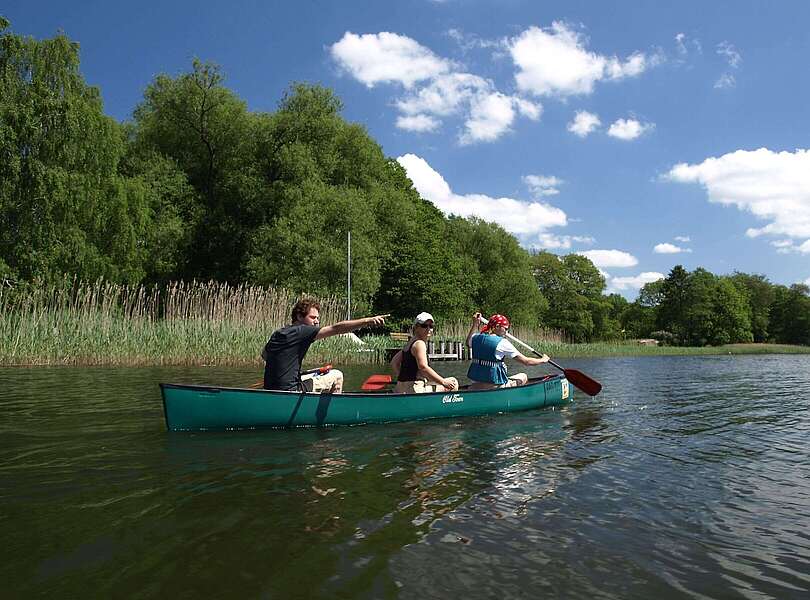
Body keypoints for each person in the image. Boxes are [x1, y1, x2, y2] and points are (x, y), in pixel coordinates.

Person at [262, 298, 388, 392]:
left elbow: (265, 355)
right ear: (299, 316)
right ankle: (332, 411)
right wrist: (367, 321)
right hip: (291, 390)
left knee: (314, 374)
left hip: (270, 388)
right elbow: (336, 328)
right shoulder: (303, 330)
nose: (316, 321)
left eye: (317, 318)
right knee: (337, 375)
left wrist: (290, 370)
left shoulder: (279, 333)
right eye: (313, 317)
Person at [466, 312, 549, 389]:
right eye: (505, 329)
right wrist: (543, 360)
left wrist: (475, 324)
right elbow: (526, 361)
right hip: (495, 387)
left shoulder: (475, 338)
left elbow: (468, 343)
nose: (506, 332)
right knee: (523, 376)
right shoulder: (502, 343)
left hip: (475, 386)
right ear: (497, 327)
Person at [390, 312, 459, 394]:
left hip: (400, 388)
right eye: (424, 326)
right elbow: (423, 368)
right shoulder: (420, 344)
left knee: (434, 381)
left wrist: (403, 379)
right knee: (453, 381)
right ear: (416, 327)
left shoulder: (409, 343)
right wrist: (443, 382)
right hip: (415, 390)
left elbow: (394, 363)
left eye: (431, 326)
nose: (428, 329)